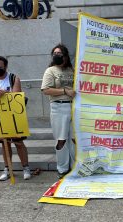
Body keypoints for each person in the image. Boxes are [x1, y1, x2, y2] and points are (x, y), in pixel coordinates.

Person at [0, 56, 31, 181]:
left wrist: (5, 93)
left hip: (14, 117)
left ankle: (25, 167)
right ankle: (7, 168)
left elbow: (17, 96)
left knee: (19, 143)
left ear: (5, 66)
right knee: (4, 144)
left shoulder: (13, 78)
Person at [41, 44, 76, 178]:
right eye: (54, 53)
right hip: (58, 107)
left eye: (59, 53)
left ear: (65, 56)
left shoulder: (72, 70)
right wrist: (64, 91)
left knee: (73, 139)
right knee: (61, 139)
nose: (56, 55)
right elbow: (45, 90)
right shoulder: (50, 71)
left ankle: (74, 166)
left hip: (73, 107)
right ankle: (62, 168)